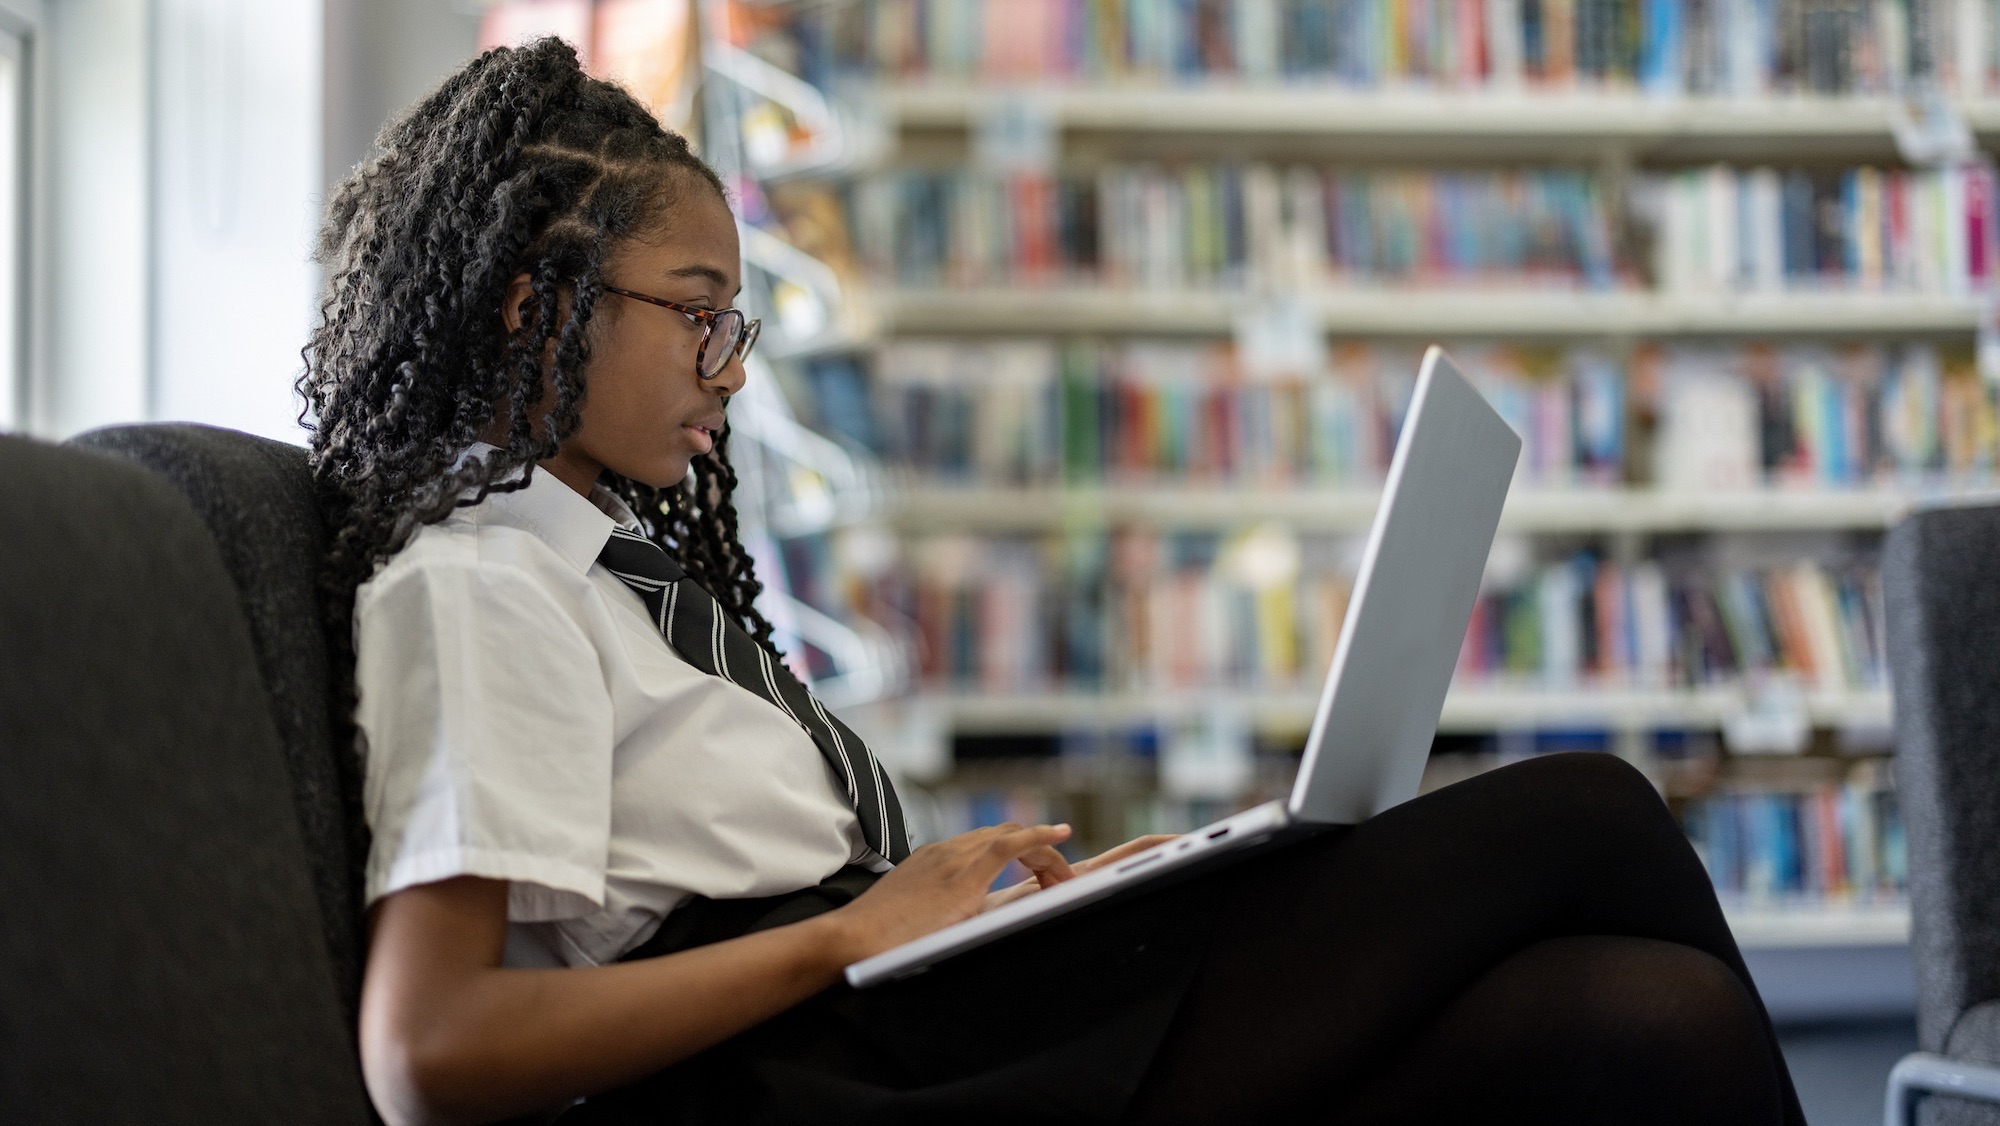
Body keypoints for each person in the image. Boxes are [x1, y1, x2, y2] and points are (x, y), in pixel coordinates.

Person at [302, 37, 1806, 1126]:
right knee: (1590, 809)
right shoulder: (482, 581)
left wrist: (990, 908)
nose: (731, 370)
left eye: (738, 324)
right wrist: (846, 933)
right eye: (698, 317)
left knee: (1639, 1024)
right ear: (530, 303)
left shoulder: (624, 577)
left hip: (916, 1015)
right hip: (839, 1069)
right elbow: (427, 1051)